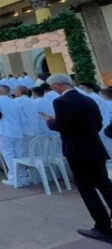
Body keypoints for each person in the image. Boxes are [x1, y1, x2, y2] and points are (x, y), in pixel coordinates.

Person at [45, 74, 112, 244]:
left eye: (53, 87)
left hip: (77, 152)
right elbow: (98, 124)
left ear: (59, 85)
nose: (53, 90)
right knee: (105, 185)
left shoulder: (60, 102)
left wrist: (50, 122)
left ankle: (103, 227)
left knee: (87, 190)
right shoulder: (88, 100)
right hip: (95, 149)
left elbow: (61, 126)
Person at [0, 85, 24, 186]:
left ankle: (13, 178)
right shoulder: (14, 101)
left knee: (8, 154)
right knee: (18, 154)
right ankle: (21, 177)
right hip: (17, 131)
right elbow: (21, 117)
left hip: (4, 130)